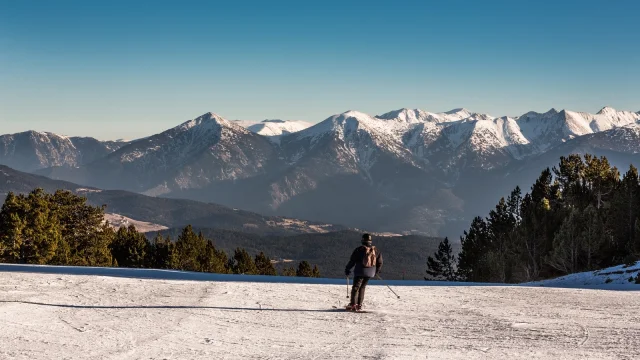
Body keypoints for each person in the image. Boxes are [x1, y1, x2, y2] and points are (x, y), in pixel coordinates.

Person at [345, 233, 383, 311]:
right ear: (370, 241)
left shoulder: (359, 250)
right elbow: (380, 262)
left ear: (362, 240)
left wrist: (347, 269)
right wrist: (376, 271)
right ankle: (359, 305)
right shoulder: (376, 250)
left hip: (360, 271)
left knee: (356, 287)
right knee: (362, 287)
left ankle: (353, 304)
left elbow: (352, 261)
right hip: (370, 272)